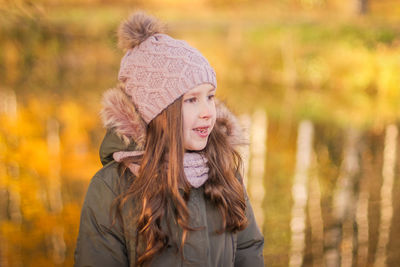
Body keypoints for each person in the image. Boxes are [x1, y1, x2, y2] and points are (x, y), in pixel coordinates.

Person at [74, 11, 264, 267]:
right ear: (158, 113)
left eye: (210, 96)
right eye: (191, 100)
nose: (208, 112)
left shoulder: (223, 170)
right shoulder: (112, 188)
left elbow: (248, 250)